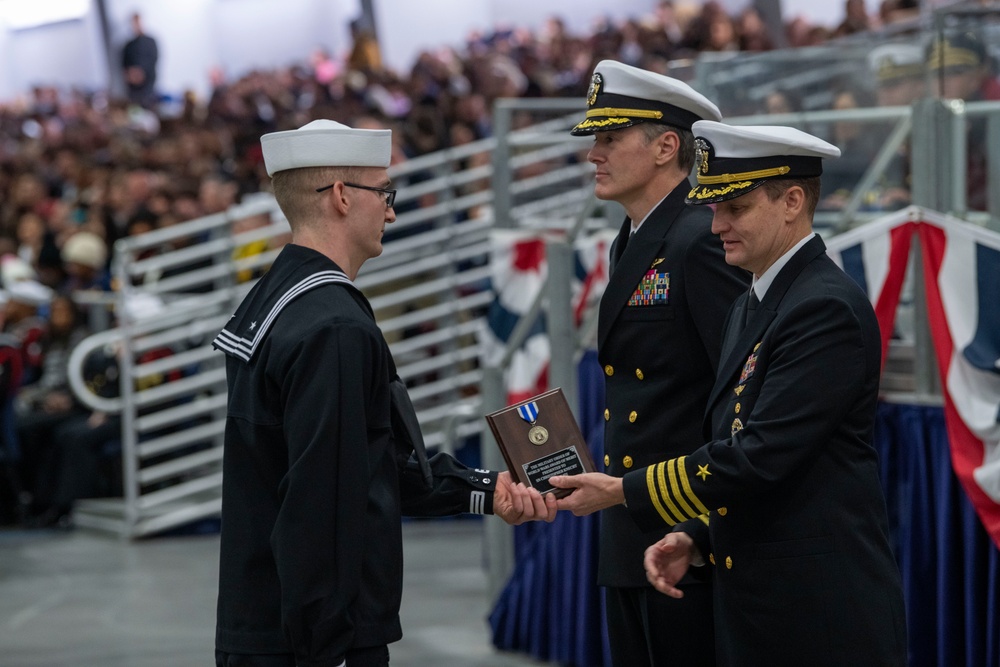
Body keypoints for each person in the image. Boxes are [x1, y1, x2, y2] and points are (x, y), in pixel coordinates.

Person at [553, 122, 907, 665]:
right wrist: (697, 536)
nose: (715, 225)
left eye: (734, 208)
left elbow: (760, 457)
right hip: (760, 602)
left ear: (791, 201)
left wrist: (624, 490)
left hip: (817, 611)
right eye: (713, 208)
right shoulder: (754, 300)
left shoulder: (822, 308)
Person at [211, 119, 555, 667]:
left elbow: (364, 462)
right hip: (315, 642)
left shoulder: (280, 297)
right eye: (384, 192)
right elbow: (321, 504)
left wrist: (485, 489)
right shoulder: (334, 327)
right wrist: (328, 647)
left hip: (265, 626)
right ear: (343, 197)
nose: (391, 211)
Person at [565, 60, 749, 667]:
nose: (595, 154)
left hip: (682, 531)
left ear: (668, 146)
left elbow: (741, 396)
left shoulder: (698, 239)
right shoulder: (636, 238)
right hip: (634, 521)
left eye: (610, 138)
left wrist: (702, 529)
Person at [121, 12, 159, 107]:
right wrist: (130, 74)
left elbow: (154, 60)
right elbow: (124, 64)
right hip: (133, 89)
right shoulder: (128, 46)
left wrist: (141, 73)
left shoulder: (150, 42)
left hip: (148, 87)